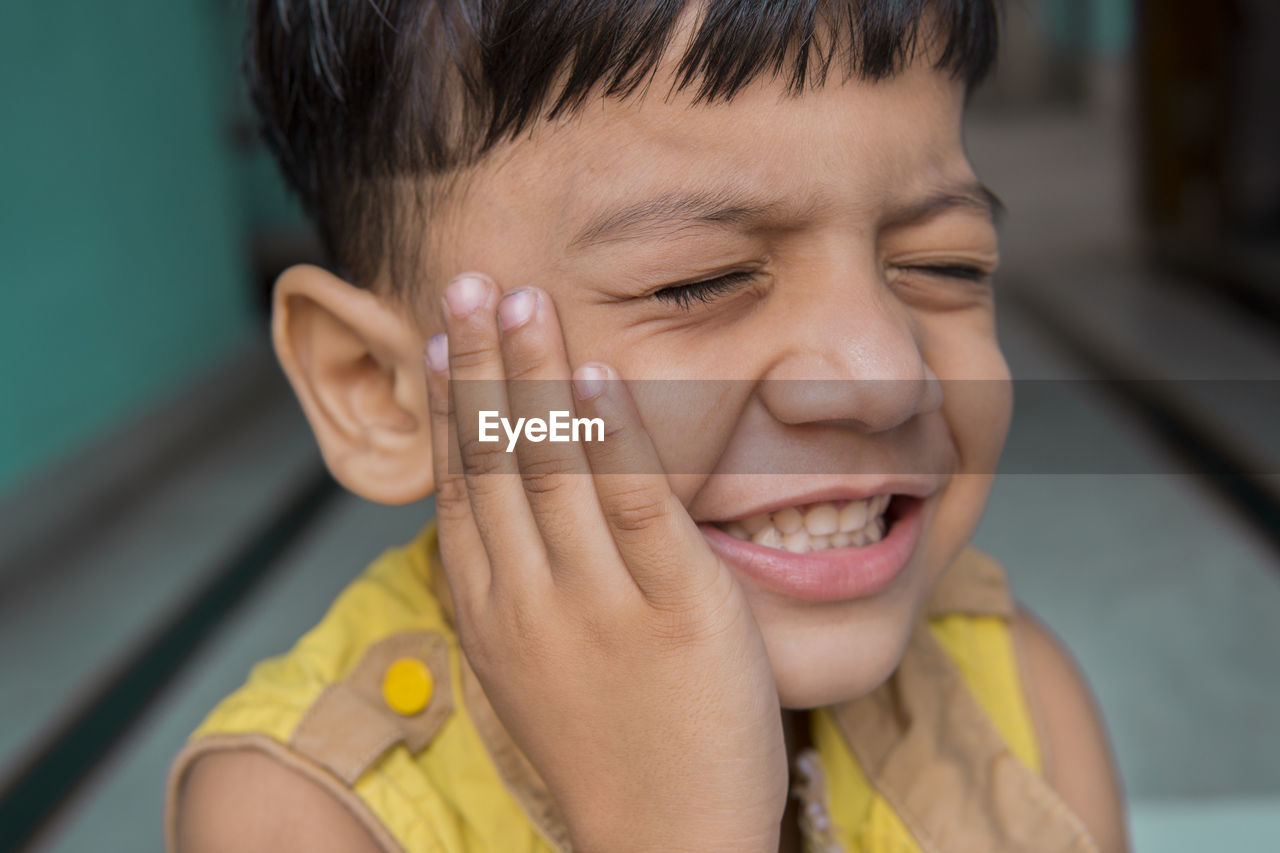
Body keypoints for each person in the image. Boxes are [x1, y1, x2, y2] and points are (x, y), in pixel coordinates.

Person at [167, 1, 1129, 850]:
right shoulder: (300, 811)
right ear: (377, 389)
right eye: (695, 282)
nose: (884, 375)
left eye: (945, 264)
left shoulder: (1019, 699)